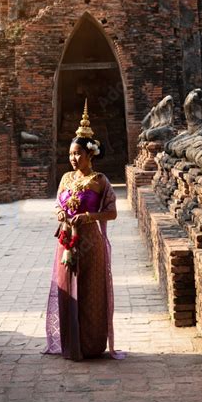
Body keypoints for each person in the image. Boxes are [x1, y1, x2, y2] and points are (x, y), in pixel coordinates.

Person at [44, 100, 126, 361]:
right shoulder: (66, 178)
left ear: (90, 154)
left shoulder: (100, 181)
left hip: (91, 242)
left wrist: (89, 216)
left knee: (91, 292)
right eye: (70, 154)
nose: (73, 158)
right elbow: (58, 203)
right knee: (67, 288)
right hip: (67, 242)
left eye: (77, 154)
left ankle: (91, 345)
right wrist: (60, 213)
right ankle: (71, 342)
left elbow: (112, 212)